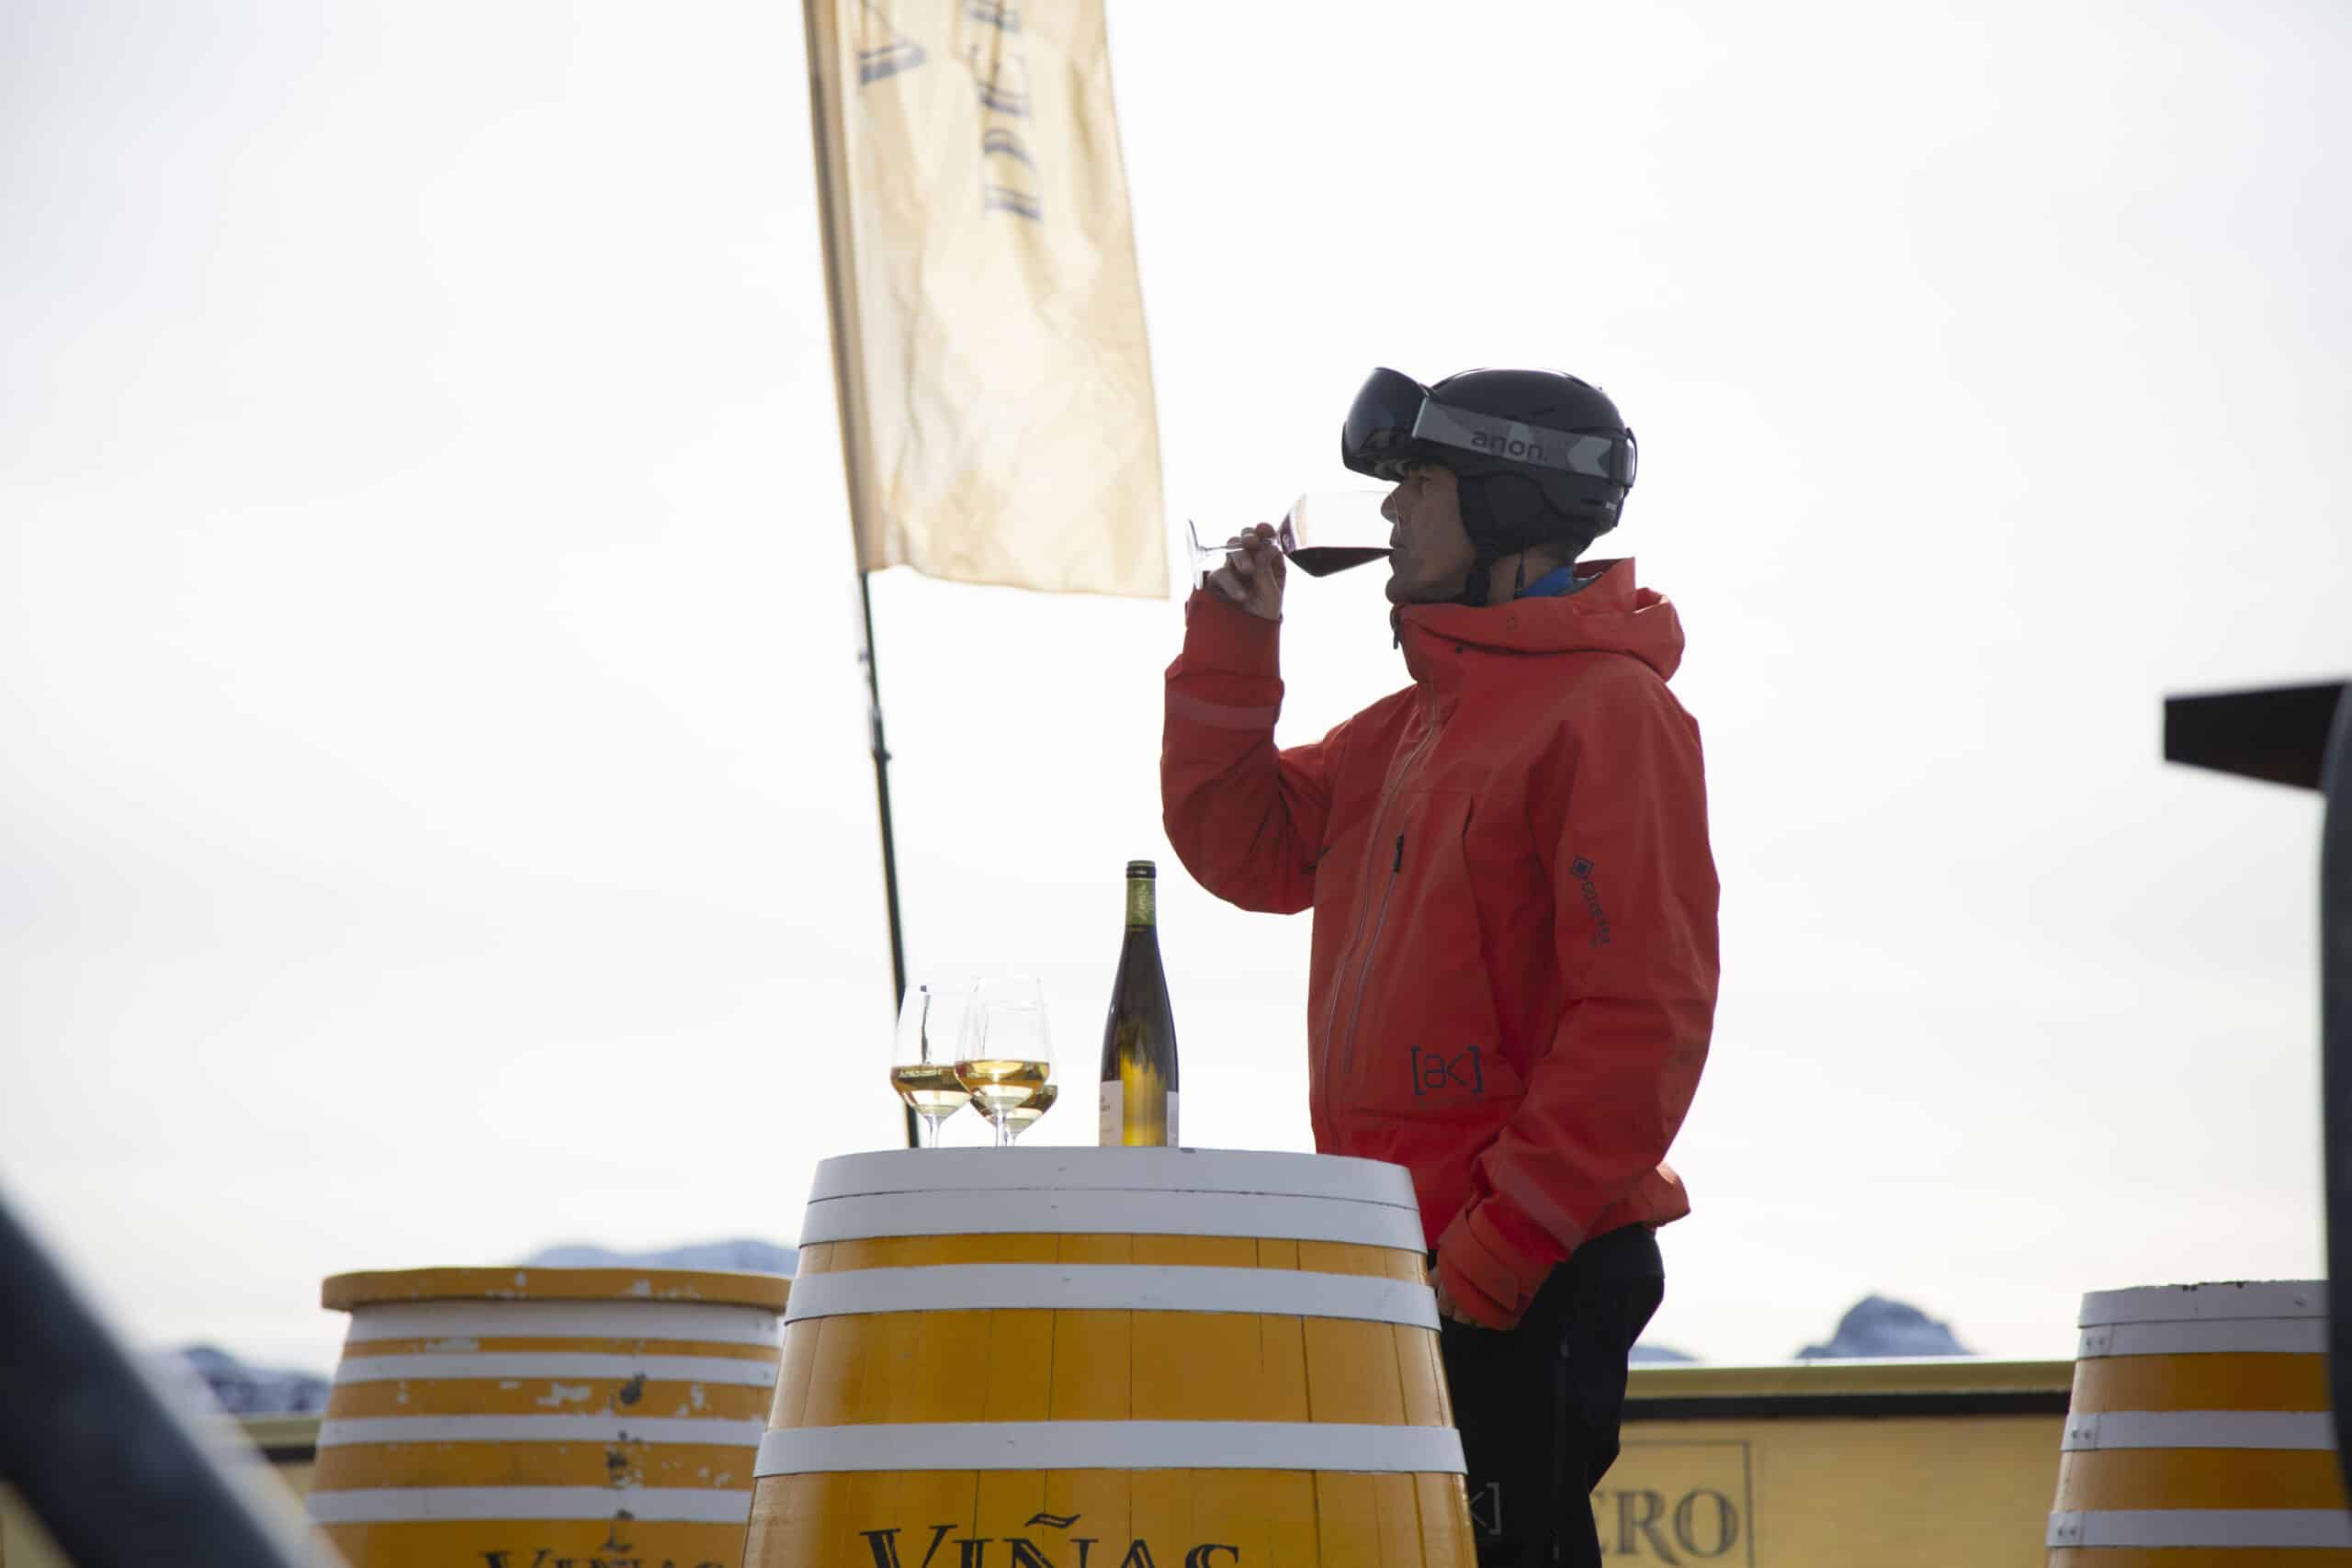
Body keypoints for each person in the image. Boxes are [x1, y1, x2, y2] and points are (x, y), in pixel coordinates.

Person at [1160, 367, 1720, 1567]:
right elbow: (1242, 845)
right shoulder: (1405, 730)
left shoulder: (1610, 713)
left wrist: (1501, 1248)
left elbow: (1642, 1018)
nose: (1393, 514)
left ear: (1509, 507)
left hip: (1532, 1263)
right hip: (1402, 1255)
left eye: (1419, 485)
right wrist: (1233, 641)